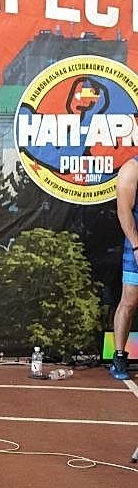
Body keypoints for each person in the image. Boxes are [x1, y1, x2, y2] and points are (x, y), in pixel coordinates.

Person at [110, 156, 137, 380]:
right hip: (137, 243)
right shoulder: (131, 168)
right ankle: (119, 356)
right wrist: (136, 246)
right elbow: (123, 211)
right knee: (129, 300)